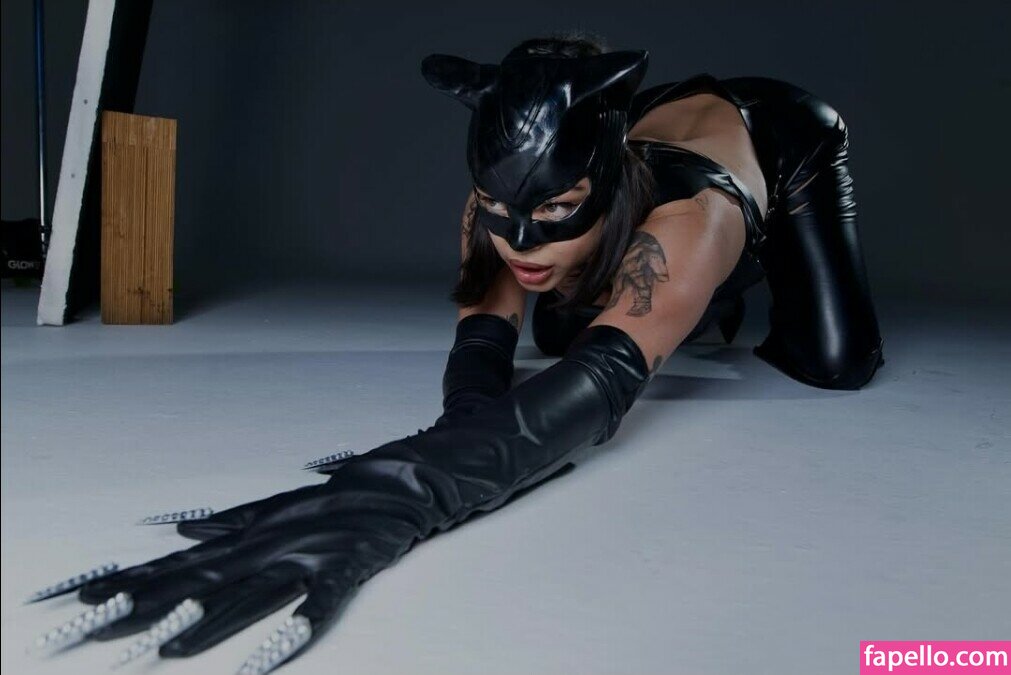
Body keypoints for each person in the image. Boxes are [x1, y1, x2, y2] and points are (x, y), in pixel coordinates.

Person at [28, 31, 883, 674]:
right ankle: (659, 291)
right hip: (636, 141)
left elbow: (598, 386)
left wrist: (391, 497)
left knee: (833, 360)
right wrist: (464, 437)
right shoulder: (505, 198)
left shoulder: (688, 221)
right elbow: (482, 338)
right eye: (499, 212)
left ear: (598, 188)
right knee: (558, 323)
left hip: (779, 140)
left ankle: (725, 285)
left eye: (554, 214)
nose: (518, 243)